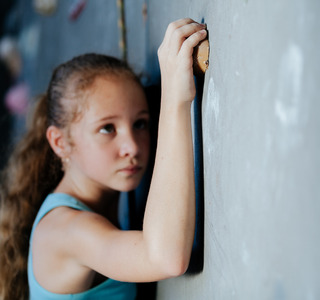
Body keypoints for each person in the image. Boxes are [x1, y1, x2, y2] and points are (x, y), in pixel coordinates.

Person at [0, 18, 207, 300]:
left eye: (141, 123)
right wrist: (174, 96)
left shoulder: (94, 202)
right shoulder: (63, 230)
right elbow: (164, 258)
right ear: (60, 142)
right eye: (107, 128)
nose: (131, 146)